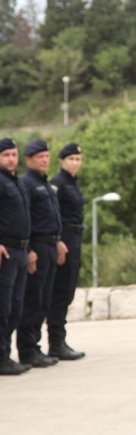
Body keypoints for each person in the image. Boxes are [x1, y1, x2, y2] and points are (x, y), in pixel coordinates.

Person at [18, 139, 67, 368]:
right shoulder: (27, 183)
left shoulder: (45, 183)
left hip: (50, 245)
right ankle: (27, 349)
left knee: (44, 300)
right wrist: (29, 250)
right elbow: (26, 219)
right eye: (40, 157)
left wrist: (58, 241)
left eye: (47, 156)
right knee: (33, 299)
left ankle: (35, 346)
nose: (45, 160)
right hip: (37, 246)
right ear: (29, 159)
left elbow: (51, 217)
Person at [47, 143, 85, 360]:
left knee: (68, 291)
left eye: (78, 159)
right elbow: (53, 215)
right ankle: (56, 342)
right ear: (62, 161)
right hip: (65, 239)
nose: (75, 163)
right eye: (71, 159)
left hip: (75, 238)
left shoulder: (72, 183)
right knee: (60, 292)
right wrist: (58, 240)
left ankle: (59, 340)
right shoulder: (58, 184)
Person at [0, 138, 32, 375]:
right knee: (3, 307)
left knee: (15, 308)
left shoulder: (16, 181)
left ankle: (5, 355)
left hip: (21, 250)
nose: (11, 159)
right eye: (6, 155)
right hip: (6, 251)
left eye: (13, 154)